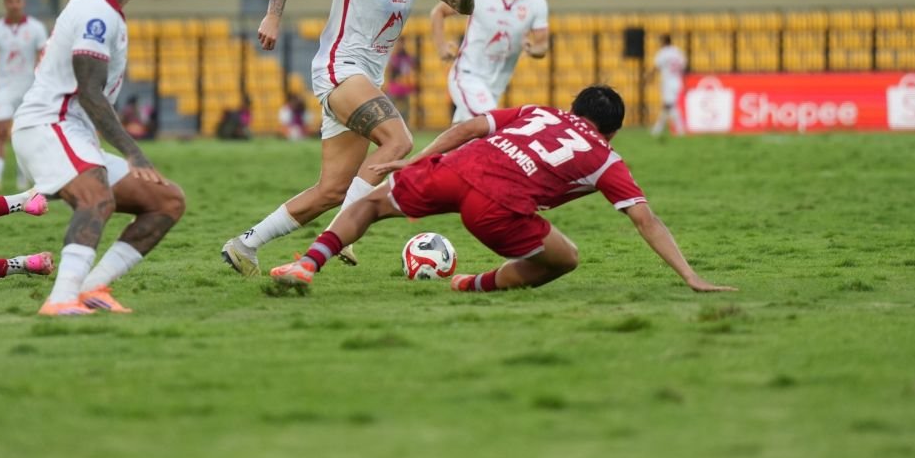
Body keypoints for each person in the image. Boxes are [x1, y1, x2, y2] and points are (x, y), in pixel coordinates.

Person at [221, 0, 475, 276]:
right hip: (340, 69)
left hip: (364, 79)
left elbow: (461, 5)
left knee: (331, 190)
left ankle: (245, 245)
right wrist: (273, 16)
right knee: (399, 140)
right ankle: (345, 232)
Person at [269, 86, 735, 295]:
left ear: (572, 107)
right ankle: (474, 284)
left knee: (371, 203)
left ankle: (306, 264)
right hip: (499, 207)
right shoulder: (607, 159)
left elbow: (471, 125)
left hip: (459, 166)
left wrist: (417, 159)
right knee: (565, 257)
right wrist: (689, 275)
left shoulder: (540, 111)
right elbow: (644, 220)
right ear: (611, 132)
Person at [11, 0, 185, 316]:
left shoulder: (99, 8)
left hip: (69, 133)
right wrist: (133, 153)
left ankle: (91, 288)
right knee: (97, 197)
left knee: (166, 201)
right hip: (48, 126)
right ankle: (59, 301)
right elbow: (88, 91)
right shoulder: (98, 13)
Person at [433, 0, 549, 123]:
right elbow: (438, 12)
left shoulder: (536, 3)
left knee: (462, 141)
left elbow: (543, 44)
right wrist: (441, 47)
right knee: (492, 125)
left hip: (495, 87)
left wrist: (532, 49)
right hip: (467, 76)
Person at [0, 0, 48, 190]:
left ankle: (22, 175)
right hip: (3, 88)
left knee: (24, 133)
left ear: (23, 3)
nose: (15, 4)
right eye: (11, 1)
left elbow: (44, 56)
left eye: (18, 0)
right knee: (1, 131)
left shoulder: (36, 28)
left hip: (28, 88)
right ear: (5, 3)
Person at [649, 34, 686, 138]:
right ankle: (657, 129)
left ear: (664, 42)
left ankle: (680, 130)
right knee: (667, 106)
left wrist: (649, 77)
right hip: (677, 81)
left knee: (670, 106)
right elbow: (683, 66)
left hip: (668, 83)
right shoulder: (678, 52)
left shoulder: (663, 53)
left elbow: (656, 67)